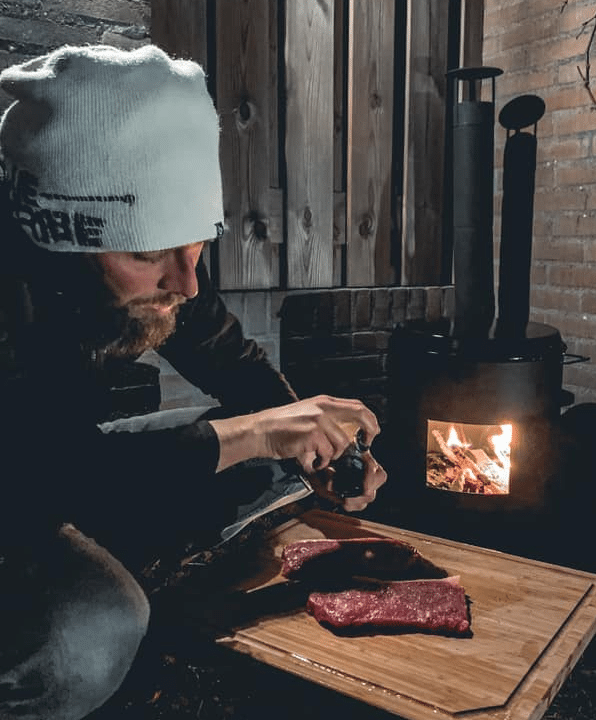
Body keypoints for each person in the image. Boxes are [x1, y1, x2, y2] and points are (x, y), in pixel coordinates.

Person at [0, 44, 386, 720]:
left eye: (197, 243)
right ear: (57, 238)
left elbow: (228, 360)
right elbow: (36, 478)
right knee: (94, 632)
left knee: (276, 468)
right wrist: (253, 433)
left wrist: (312, 442)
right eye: (149, 255)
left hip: (55, 463)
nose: (187, 282)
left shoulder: (156, 269)